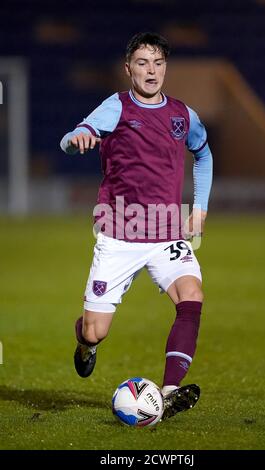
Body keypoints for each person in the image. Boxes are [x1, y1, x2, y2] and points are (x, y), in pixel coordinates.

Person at [60, 32, 213, 420]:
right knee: (95, 330)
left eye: (158, 63)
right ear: (128, 68)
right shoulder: (116, 107)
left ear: (166, 68)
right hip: (118, 234)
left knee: (191, 295)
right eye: (143, 63)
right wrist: (77, 138)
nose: (152, 71)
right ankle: (85, 347)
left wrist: (200, 207)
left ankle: (170, 390)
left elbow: (204, 154)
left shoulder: (182, 114)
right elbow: (73, 136)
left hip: (166, 235)